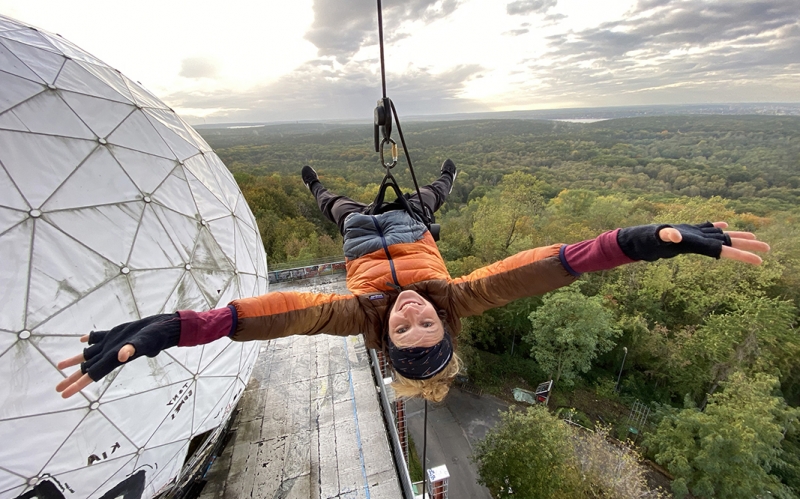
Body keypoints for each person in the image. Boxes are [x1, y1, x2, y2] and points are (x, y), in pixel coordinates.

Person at [56, 160, 770, 402]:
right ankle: (449, 179)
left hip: (366, 240)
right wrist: (641, 241)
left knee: (338, 207)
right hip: (415, 235)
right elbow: (550, 267)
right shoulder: (459, 296)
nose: (407, 312)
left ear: (384, 335)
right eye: (423, 322)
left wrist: (177, 329)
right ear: (447, 323)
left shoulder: (355, 314)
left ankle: (312, 183)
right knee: (429, 199)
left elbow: (279, 314)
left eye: (402, 327)